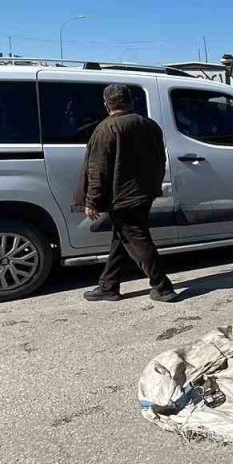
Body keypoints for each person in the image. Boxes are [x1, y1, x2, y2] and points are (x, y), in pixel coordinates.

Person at [73, 84, 178, 302]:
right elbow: (161, 159)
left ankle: (163, 287)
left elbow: (98, 169)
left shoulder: (106, 128)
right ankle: (108, 286)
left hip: (121, 196)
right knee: (122, 239)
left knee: (137, 239)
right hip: (143, 193)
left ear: (107, 104)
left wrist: (91, 200)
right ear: (131, 102)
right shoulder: (149, 125)